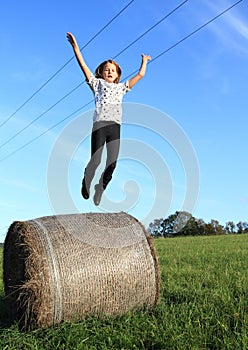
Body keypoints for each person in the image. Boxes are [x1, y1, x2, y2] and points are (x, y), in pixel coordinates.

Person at [67, 32, 151, 206]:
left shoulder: (122, 88)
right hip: (99, 125)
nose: (109, 72)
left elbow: (140, 76)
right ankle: (86, 181)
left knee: (112, 163)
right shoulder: (97, 85)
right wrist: (75, 47)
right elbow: (83, 65)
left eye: (113, 70)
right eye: (106, 69)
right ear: (101, 73)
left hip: (115, 127)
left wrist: (144, 62)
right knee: (96, 160)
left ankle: (100, 188)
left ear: (118, 73)